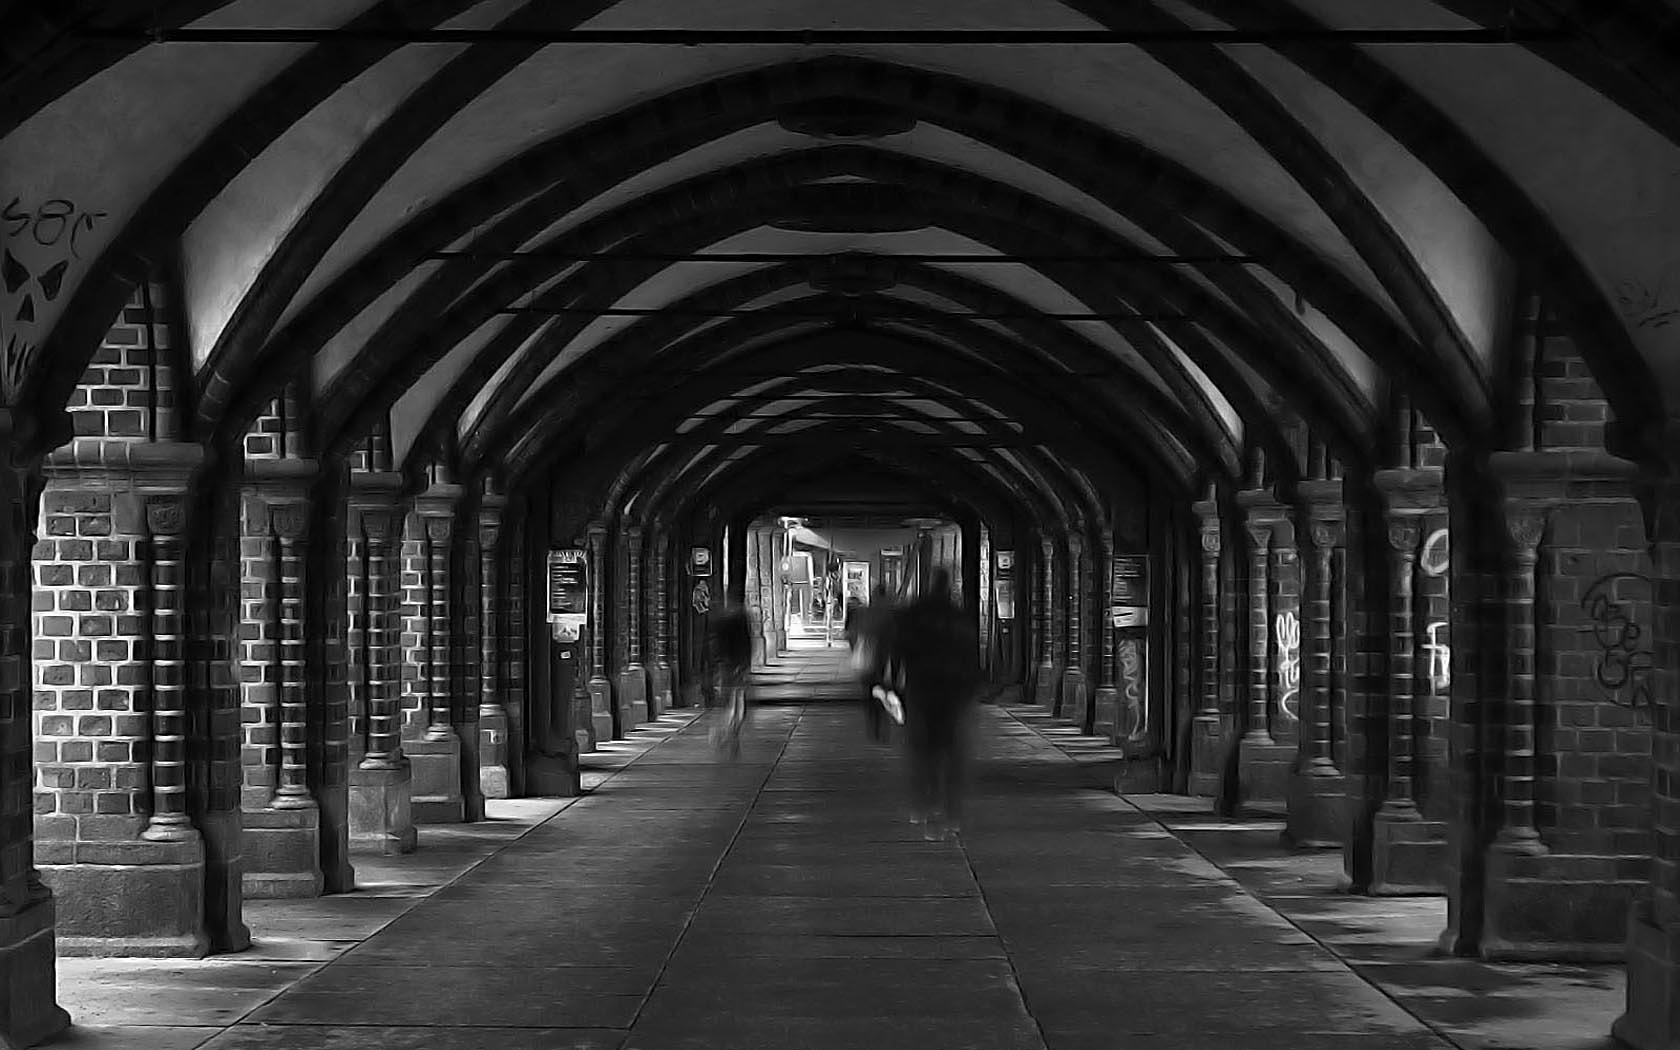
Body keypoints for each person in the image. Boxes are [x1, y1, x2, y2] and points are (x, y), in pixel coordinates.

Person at [890, 568, 981, 840]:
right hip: (954, 692)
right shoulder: (959, 617)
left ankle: (925, 806)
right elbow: (971, 655)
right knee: (953, 753)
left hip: (922, 688)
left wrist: (896, 684)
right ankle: (951, 814)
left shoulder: (914, 614)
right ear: (949, 587)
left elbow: (898, 650)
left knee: (923, 750)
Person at [845, 586, 895, 744]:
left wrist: (856, 649)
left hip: (868, 660)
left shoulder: (865, 614)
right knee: (883, 690)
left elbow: (852, 634)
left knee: (870, 692)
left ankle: (875, 724)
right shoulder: (890, 615)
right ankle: (881, 724)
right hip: (882, 660)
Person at [707, 603, 754, 755]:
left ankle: (725, 734)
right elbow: (748, 646)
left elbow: (714, 648)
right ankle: (730, 733)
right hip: (736, 668)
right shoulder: (739, 623)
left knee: (727, 703)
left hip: (727, 668)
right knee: (737, 703)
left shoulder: (719, 623)